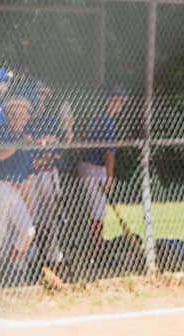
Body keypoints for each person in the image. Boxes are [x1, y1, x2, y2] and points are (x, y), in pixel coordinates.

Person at [0, 93, 37, 279]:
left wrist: (27, 200)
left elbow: (27, 174)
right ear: (8, 116)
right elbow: (0, 155)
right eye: (13, 114)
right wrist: (19, 144)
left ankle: (10, 265)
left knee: (28, 230)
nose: (18, 118)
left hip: (16, 191)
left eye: (23, 114)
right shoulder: (3, 132)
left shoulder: (25, 138)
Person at [24, 79, 74, 267]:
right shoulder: (25, 121)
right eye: (39, 95)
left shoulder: (51, 120)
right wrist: (43, 143)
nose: (42, 100)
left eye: (45, 96)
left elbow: (61, 145)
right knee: (31, 215)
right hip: (32, 174)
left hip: (49, 172)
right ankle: (29, 252)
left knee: (53, 216)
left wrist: (69, 128)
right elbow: (29, 150)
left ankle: (53, 252)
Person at [76, 84, 126, 258]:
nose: (119, 105)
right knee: (97, 211)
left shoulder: (94, 117)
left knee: (92, 209)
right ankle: (97, 248)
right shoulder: (107, 121)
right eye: (116, 101)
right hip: (95, 169)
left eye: (121, 102)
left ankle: (95, 245)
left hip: (84, 166)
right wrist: (110, 177)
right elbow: (109, 154)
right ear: (107, 101)